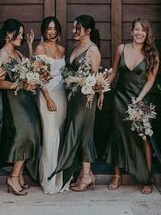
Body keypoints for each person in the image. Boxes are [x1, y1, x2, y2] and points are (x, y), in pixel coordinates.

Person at [104, 17, 161, 194]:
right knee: (117, 136)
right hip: (119, 99)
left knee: (144, 139)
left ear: (147, 34)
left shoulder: (152, 54)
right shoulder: (121, 48)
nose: (139, 33)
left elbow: (151, 80)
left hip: (139, 101)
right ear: (131, 31)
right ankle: (117, 176)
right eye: (137, 29)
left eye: (143, 30)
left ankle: (147, 178)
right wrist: (100, 86)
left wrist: (139, 99)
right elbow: (114, 72)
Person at [48, 15, 104, 191]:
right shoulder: (77, 46)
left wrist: (100, 95)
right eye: (73, 28)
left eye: (77, 28)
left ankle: (86, 175)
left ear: (87, 31)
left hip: (86, 99)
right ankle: (83, 173)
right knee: (75, 132)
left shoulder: (93, 50)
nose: (73, 31)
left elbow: (96, 78)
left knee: (83, 135)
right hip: (73, 98)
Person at [0, 18, 42, 196]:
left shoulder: (17, 52)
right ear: (8, 33)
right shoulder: (2, 55)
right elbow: (0, 83)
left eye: (22, 34)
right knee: (25, 134)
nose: (21, 37)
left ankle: (20, 174)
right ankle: (13, 177)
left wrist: (29, 46)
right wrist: (21, 85)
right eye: (19, 33)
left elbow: (28, 67)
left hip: (25, 99)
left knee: (34, 131)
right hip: (14, 101)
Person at [33, 16, 69, 194]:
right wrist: (47, 98)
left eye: (55, 28)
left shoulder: (62, 49)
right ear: (44, 31)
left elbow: (64, 74)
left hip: (62, 94)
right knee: (50, 135)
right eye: (49, 29)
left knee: (60, 134)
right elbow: (38, 77)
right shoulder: (39, 48)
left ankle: (60, 178)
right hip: (47, 94)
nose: (52, 32)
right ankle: (48, 179)